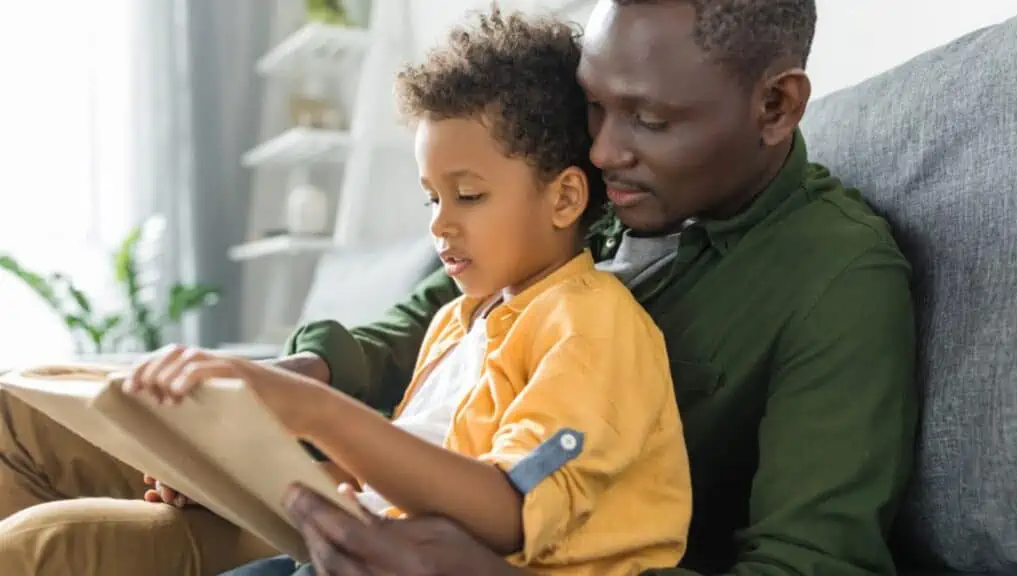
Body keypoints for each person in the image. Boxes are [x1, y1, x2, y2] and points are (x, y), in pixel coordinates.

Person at [0, 0, 917, 575]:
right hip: (365, 489)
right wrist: (264, 416)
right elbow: (427, 339)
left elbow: (808, 561)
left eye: (648, 118)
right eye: (594, 106)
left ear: (776, 106)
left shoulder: (839, 279)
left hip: (476, 536)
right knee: (17, 410)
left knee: (52, 546)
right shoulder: (597, 195)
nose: (598, 151)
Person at [127, 8, 692, 575]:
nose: (439, 224)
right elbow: (390, 488)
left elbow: (508, 510)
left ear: (565, 199)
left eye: (467, 195)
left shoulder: (590, 325)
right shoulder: (455, 321)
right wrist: (231, 478)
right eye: (432, 198)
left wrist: (316, 410)